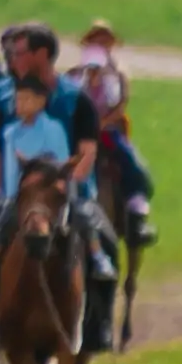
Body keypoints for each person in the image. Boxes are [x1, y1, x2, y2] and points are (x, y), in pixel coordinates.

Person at [0, 23, 123, 351]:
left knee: (105, 239)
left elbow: (87, 151)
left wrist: (61, 187)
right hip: (19, 190)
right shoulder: (2, 94)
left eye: (19, 52)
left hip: (70, 186)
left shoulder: (75, 99)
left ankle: (98, 322)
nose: (12, 57)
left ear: (41, 55)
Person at [73, 21, 158, 246]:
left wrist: (100, 123)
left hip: (106, 131)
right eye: (96, 39)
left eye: (105, 40)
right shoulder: (75, 74)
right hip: (80, 132)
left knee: (131, 164)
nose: (101, 44)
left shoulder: (117, 74)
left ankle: (137, 216)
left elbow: (118, 105)